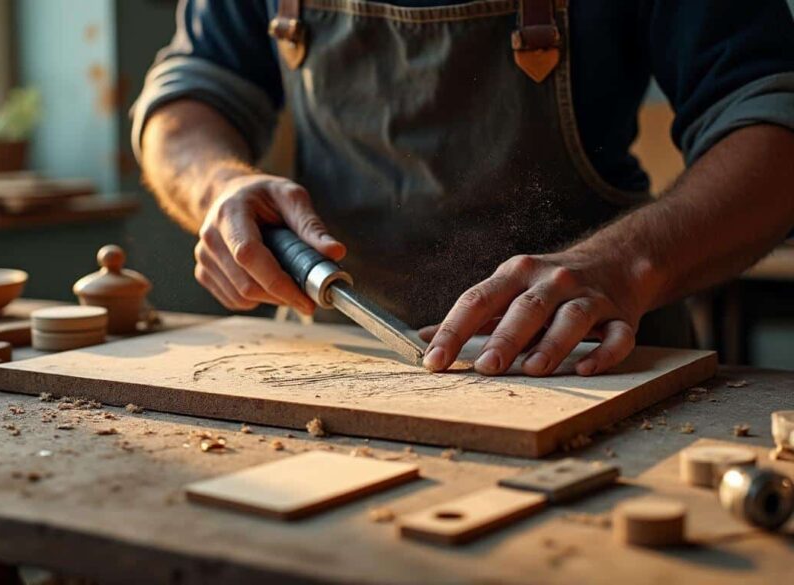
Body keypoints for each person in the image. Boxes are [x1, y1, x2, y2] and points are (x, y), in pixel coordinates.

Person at [132, 0, 794, 376]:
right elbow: (189, 94)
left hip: (586, 368)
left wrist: (625, 263)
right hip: (337, 360)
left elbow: (774, 123)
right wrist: (217, 184)